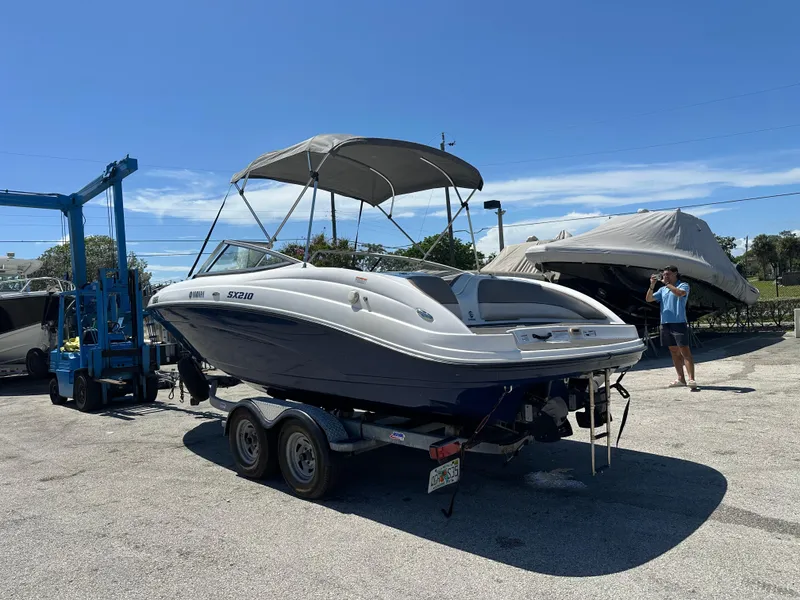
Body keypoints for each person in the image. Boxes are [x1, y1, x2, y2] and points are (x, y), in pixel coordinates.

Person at [646, 265, 697, 388]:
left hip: (678, 322)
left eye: (668, 274)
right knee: (674, 351)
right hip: (666, 323)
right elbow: (649, 299)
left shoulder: (683, 285)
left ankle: (691, 379)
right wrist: (652, 285)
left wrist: (667, 284)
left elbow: (680, 294)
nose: (665, 277)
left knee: (685, 351)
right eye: (664, 275)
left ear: (675, 274)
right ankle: (681, 379)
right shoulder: (663, 290)